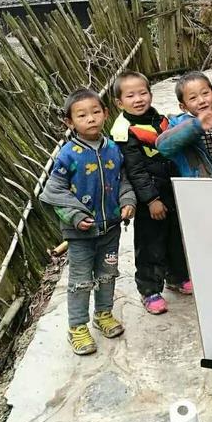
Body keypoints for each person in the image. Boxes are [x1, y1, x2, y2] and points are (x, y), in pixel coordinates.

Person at [40, 87, 136, 355]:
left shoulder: (113, 151)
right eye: (82, 115)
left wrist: (128, 202)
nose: (90, 118)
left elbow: (123, 181)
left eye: (96, 112)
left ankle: (103, 315)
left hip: (110, 230)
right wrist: (76, 215)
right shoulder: (68, 155)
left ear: (106, 113)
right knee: (80, 281)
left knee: (107, 275)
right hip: (80, 235)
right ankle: (77, 328)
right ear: (70, 123)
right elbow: (53, 192)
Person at [111, 71, 191, 316]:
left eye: (143, 93)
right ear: (119, 102)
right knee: (150, 243)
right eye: (130, 95)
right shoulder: (124, 130)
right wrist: (151, 200)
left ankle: (176, 276)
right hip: (149, 197)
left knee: (175, 237)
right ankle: (149, 289)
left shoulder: (158, 119)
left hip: (170, 189)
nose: (138, 99)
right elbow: (134, 170)